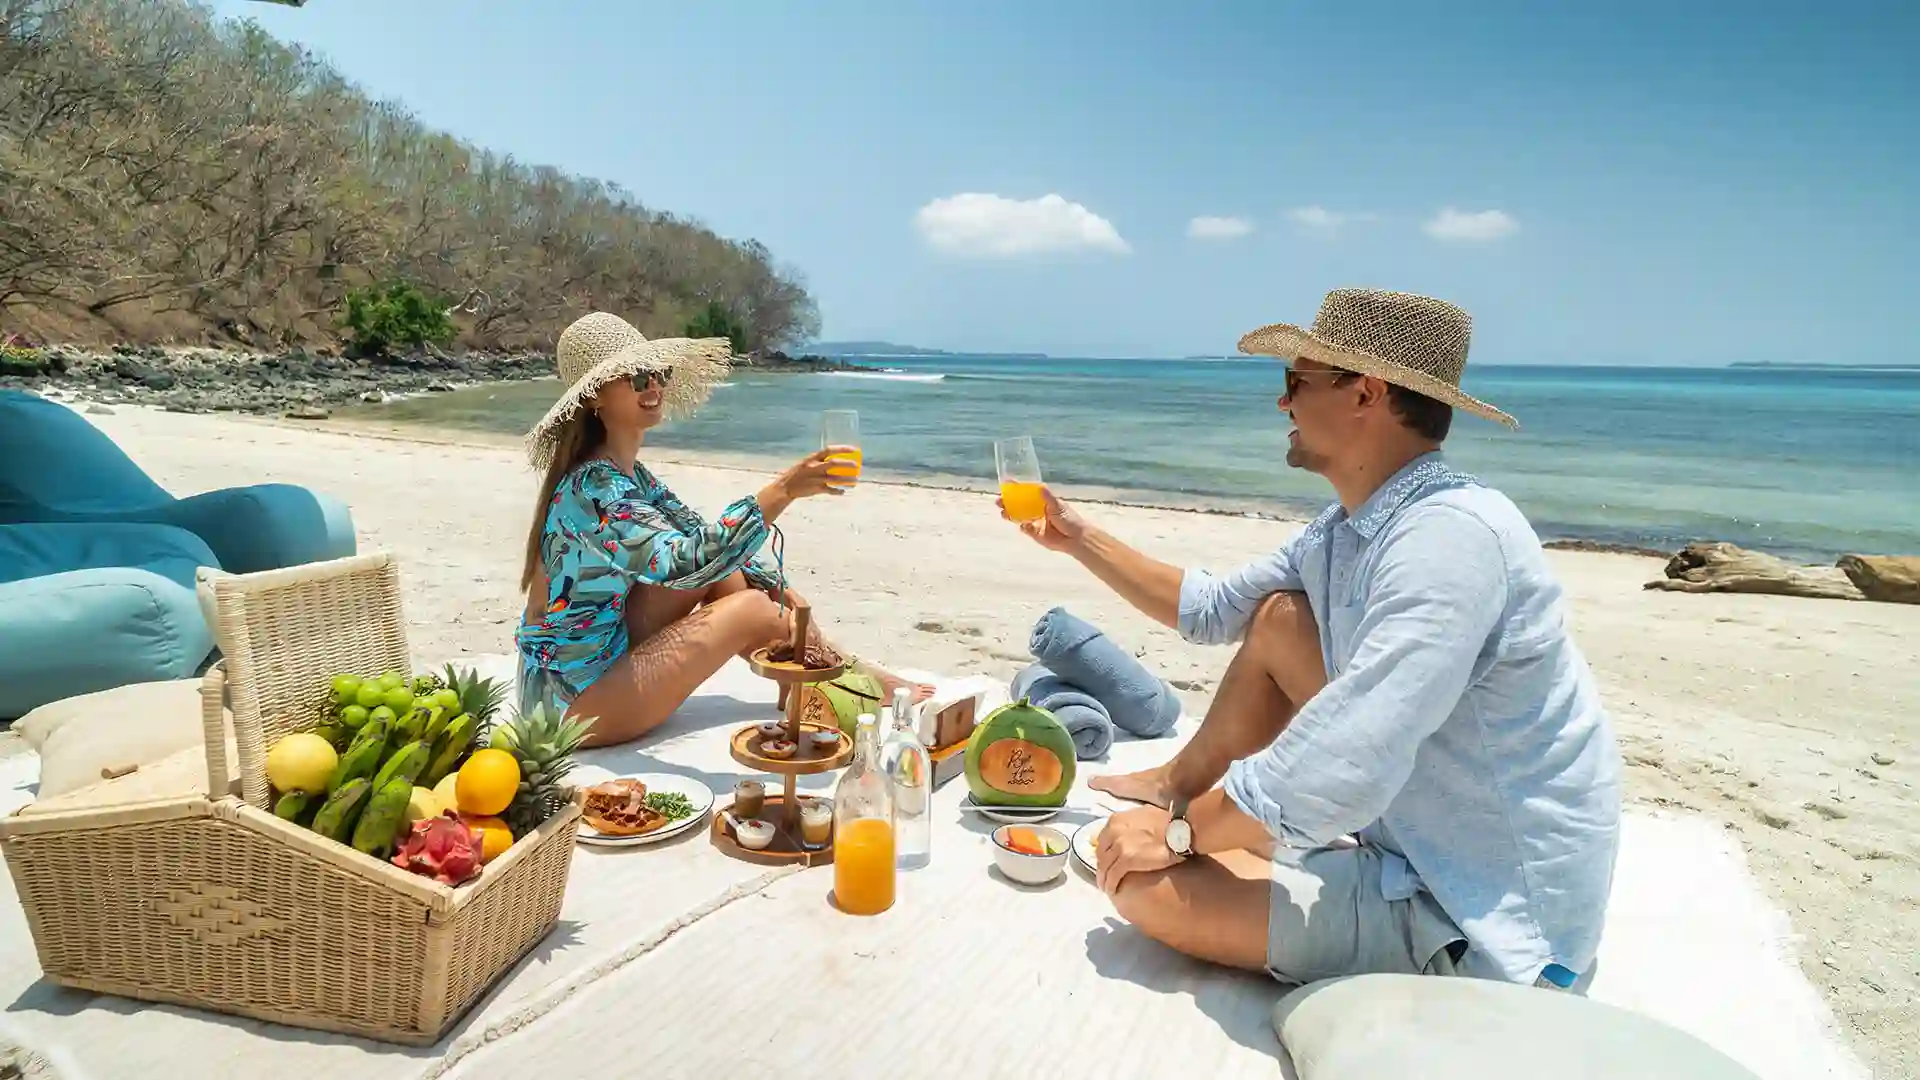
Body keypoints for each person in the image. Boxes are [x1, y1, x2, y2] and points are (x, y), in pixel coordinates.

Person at [1004, 288, 1621, 991]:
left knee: (1137, 888)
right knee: (1279, 620)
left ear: (1365, 394)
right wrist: (1077, 536)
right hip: (1406, 839)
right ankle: (1187, 797)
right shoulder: (1342, 533)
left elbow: (1354, 750)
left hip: (1482, 917)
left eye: (1295, 383)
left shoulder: (1450, 540)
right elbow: (1209, 609)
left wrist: (1181, 836)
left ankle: (1196, 818)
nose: (1282, 403)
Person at [517, 311, 928, 747]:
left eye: (659, 372)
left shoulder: (629, 475)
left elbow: (700, 535)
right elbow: (681, 563)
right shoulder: (594, 487)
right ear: (595, 398)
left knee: (733, 576)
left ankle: (820, 668)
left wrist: (780, 587)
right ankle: (832, 674)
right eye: (637, 378)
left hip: (605, 649)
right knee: (748, 607)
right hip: (565, 702)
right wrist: (782, 492)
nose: (654, 386)